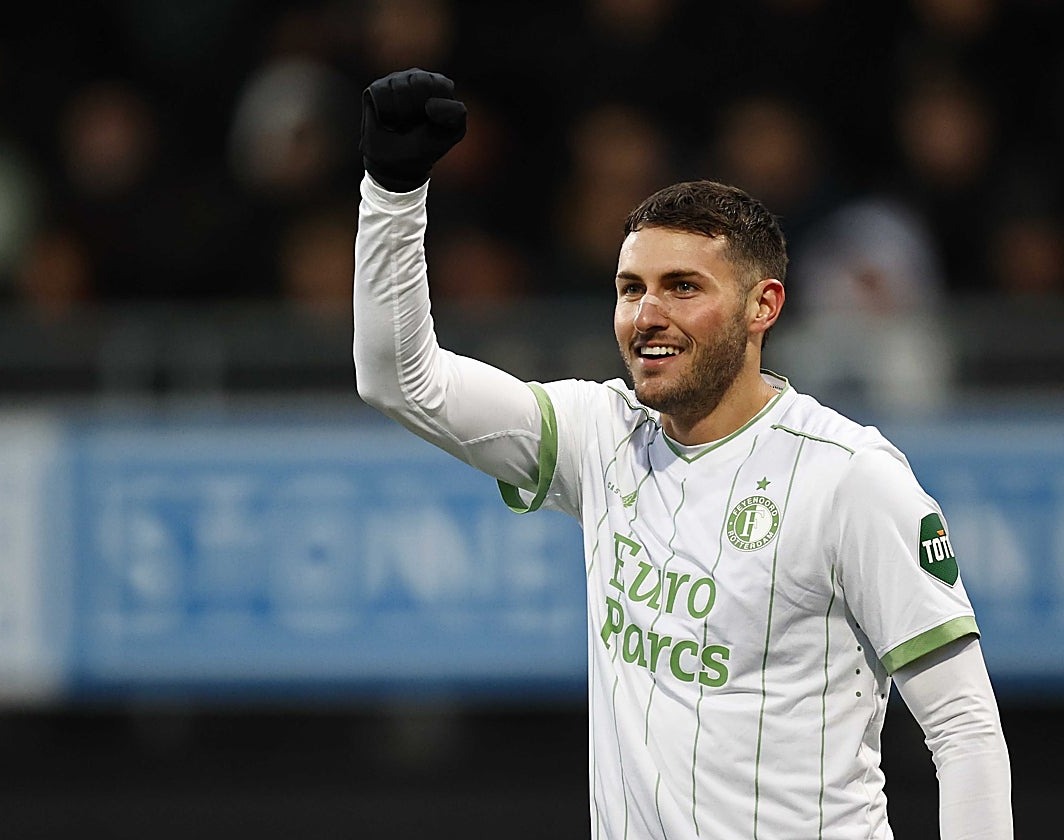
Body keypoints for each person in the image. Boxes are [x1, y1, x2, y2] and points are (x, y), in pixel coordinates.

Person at [352, 68, 1013, 840]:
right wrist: (392, 196)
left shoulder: (850, 478)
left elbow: (965, 730)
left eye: (682, 287)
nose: (647, 315)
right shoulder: (600, 436)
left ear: (763, 305)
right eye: (630, 288)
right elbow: (401, 380)